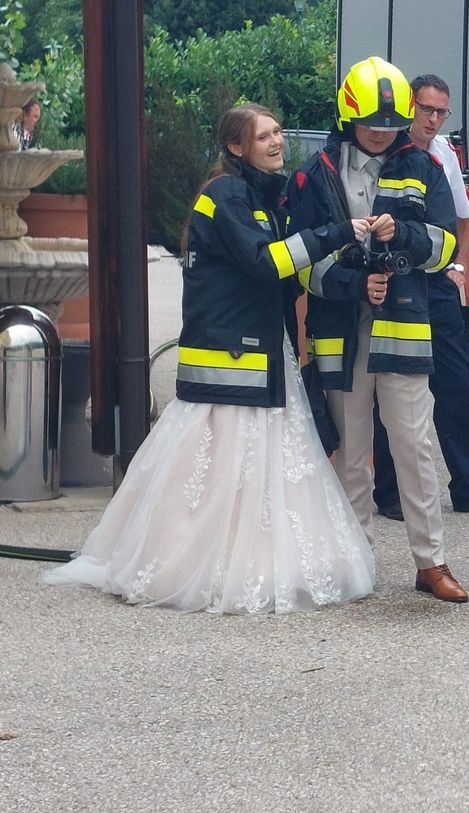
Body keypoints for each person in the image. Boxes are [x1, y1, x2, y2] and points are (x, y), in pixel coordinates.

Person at [41, 103, 375, 614]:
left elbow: (284, 267)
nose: (276, 141)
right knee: (218, 468)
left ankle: (256, 564)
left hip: (258, 356)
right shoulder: (225, 195)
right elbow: (266, 263)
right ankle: (206, 567)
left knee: (249, 470)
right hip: (233, 360)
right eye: (263, 135)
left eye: (278, 132)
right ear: (236, 147)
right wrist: (336, 232)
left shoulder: (254, 194)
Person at [285, 57, 469, 603]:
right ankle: (357, 560)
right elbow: (301, 262)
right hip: (341, 329)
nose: (383, 135)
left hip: (403, 326)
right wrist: (352, 284)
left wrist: (405, 237)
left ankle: (430, 562)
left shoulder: (426, 167)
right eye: (372, 126)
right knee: (352, 448)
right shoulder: (313, 174)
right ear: (349, 117)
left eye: (391, 126)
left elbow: (445, 247)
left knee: (413, 444)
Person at [372, 74, 469, 522]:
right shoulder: (387, 154)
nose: (433, 119)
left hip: (437, 285)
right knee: (394, 387)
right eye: (426, 109)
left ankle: (468, 484)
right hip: (397, 285)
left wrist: (459, 270)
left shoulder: (444, 155)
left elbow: (463, 217)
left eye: (441, 112)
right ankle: (389, 489)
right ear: (408, 106)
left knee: (457, 381)